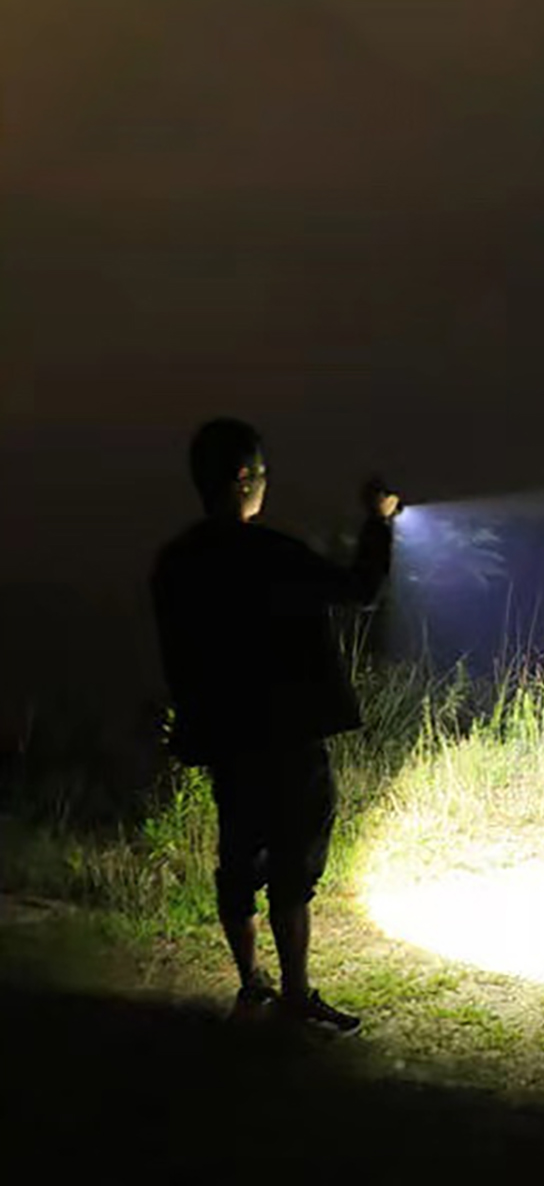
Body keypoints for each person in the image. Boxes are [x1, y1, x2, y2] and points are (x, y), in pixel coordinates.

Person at [150, 418, 399, 1031]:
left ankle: (251, 985)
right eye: (260, 473)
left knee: (237, 860)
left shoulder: (175, 565)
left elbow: (177, 657)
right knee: (293, 865)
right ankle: (295, 995)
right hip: (289, 735)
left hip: (225, 739)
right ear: (242, 478)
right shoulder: (273, 554)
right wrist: (378, 522)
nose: (264, 483)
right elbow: (361, 590)